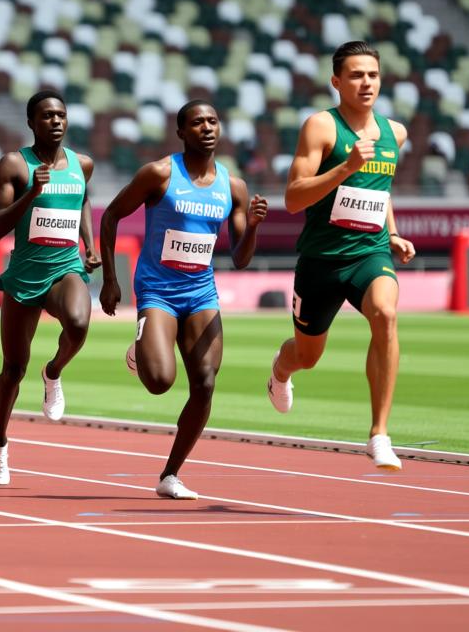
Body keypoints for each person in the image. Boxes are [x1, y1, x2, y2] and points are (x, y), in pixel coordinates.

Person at [99, 100, 267, 500]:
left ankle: (170, 474)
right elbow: (110, 216)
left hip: (200, 292)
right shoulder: (159, 173)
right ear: (181, 132)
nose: (206, 127)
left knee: (205, 383)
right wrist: (109, 279)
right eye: (197, 122)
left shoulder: (234, 187)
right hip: (157, 290)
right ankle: (143, 348)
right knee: (160, 382)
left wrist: (252, 226)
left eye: (213, 121)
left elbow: (241, 259)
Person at [266, 40, 417, 470]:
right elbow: (293, 198)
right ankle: (280, 371)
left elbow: (380, 189)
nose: (366, 82)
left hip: (369, 254)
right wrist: (346, 166)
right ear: (336, 81)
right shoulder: (321, 127)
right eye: (355, 75)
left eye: (372, 74)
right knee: (307, 356)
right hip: (321, 261)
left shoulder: (395, 132)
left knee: (386, 314)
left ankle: (379, 434)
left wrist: (392, 232)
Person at [0, 90, 100, 486]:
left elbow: (83, 201)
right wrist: (31, 193)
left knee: (79, 324)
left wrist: (89, 244)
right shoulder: (15, 165)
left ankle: (53, 371)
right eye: (47, 115)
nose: (55, 121)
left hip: (65, 268)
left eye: (61, 115)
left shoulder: (82, 164)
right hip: (24, 276)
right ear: (31, 123)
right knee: (13, 370)